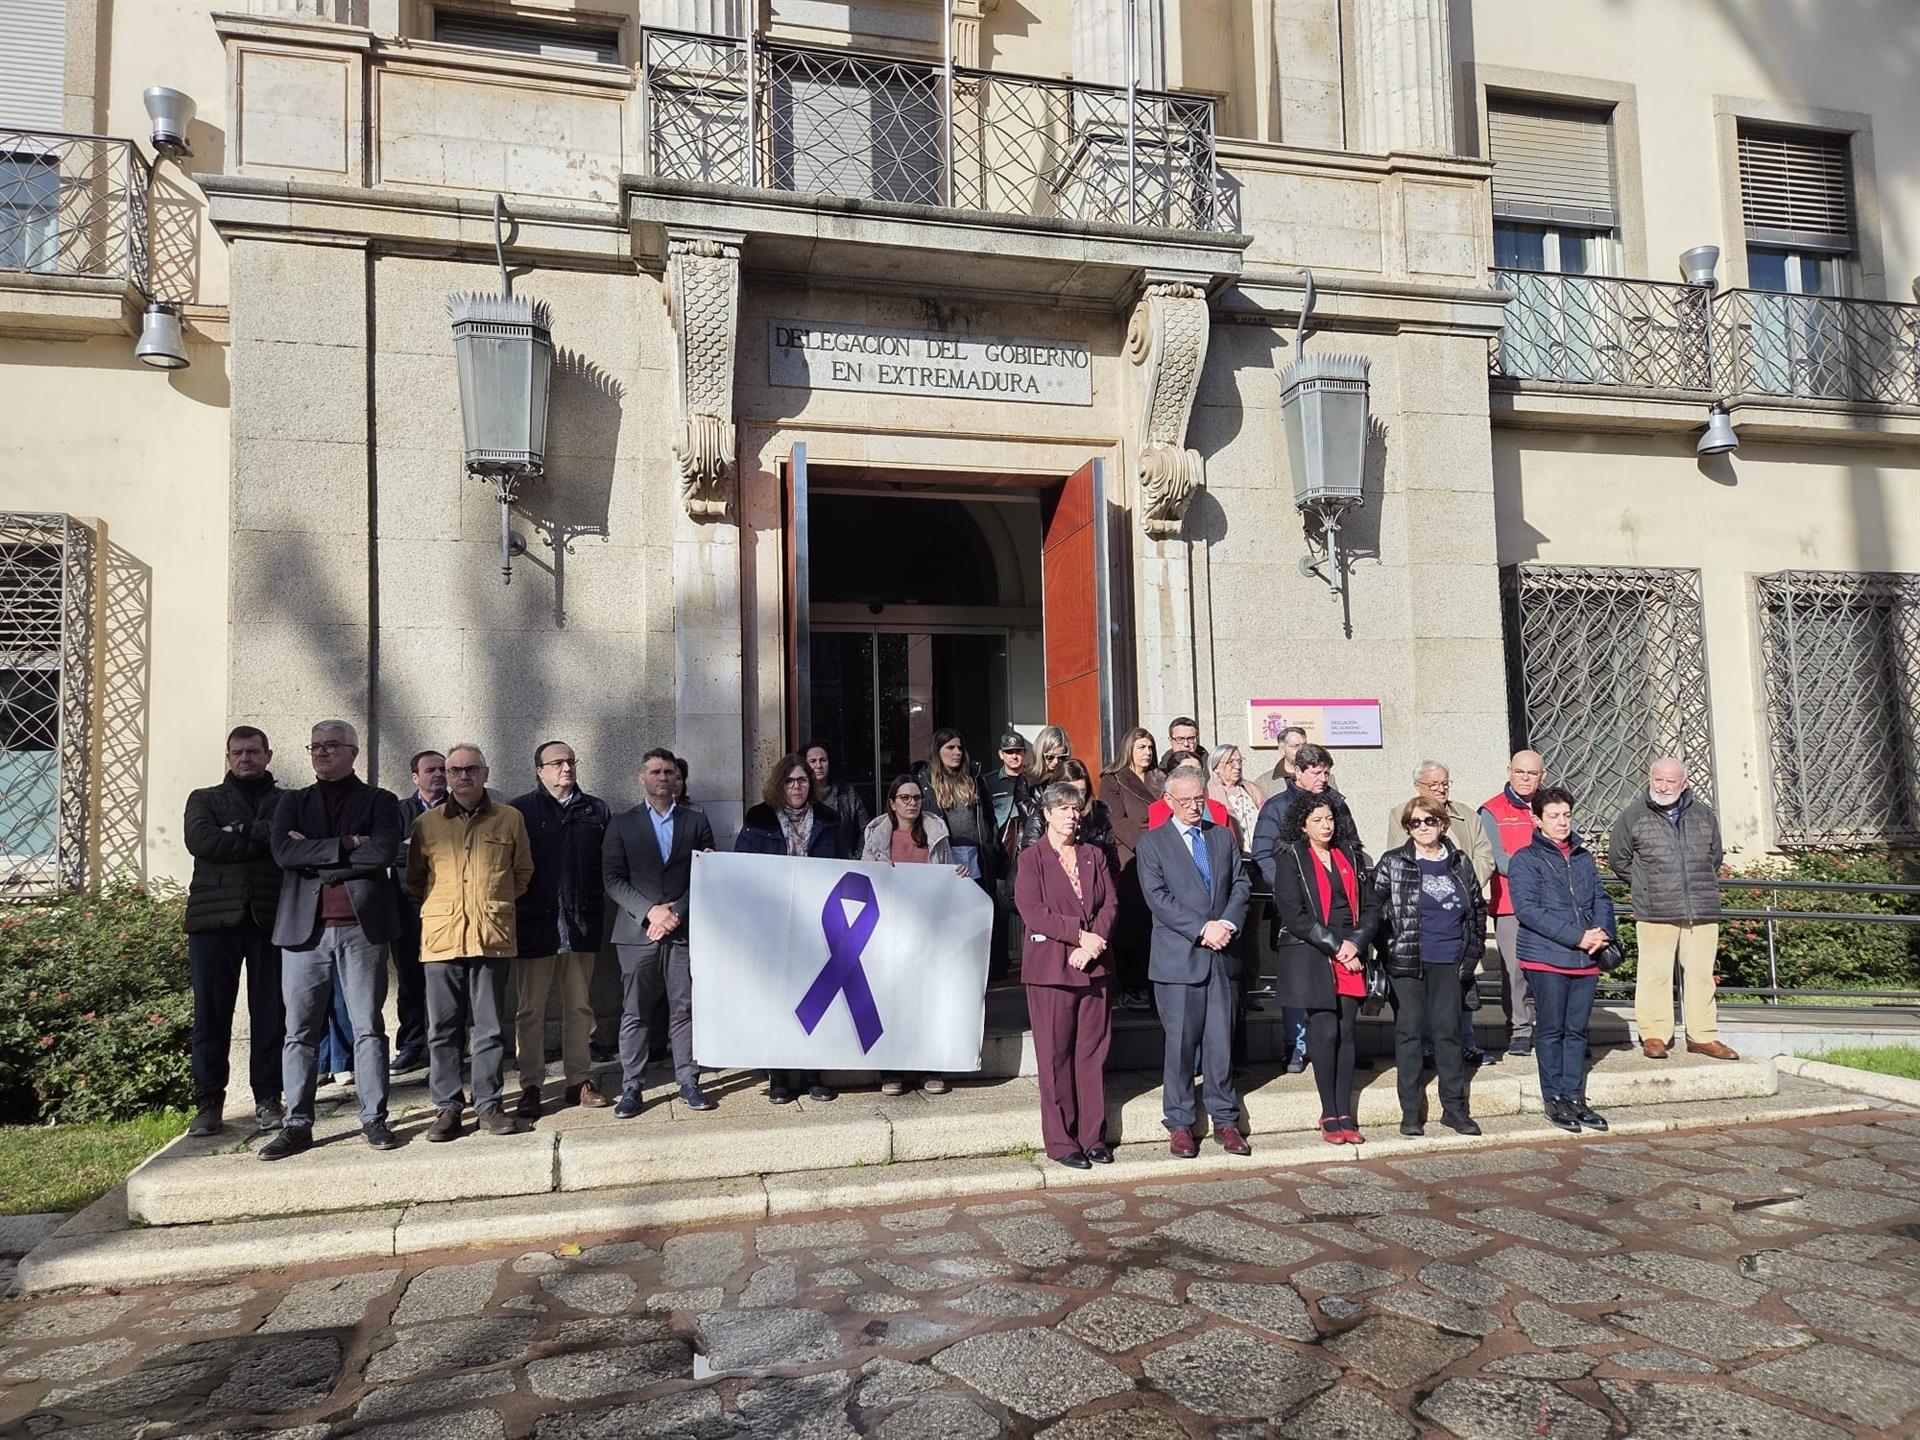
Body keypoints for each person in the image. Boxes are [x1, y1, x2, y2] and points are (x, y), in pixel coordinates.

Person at [261, 720, 405, 1159]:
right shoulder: (292, 803)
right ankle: (297, 1124)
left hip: (361, 929)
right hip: (304, 933)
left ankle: (373, 1118)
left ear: (353, 752)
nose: (321, 753)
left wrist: (318, 855)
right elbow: (284, 854)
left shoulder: (380, 801)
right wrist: (346, 843)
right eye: (315, 746)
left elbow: (382, 853)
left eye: (331, 746)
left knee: (368, 1028)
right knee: (299, 1032)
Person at [407, 743, 536, 1142]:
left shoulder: (510, 818)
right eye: (455, 770)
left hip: (491, 937)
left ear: (485, 773)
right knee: (443, 1028)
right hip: (442, 939)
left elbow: (522, 873)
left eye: (471, 770)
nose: (463, 777)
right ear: (445, 775)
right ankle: (447, 1107)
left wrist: (489, 905)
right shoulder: (427, 824)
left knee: (490, 1026)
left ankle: (488, 1105)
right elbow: (415, 879)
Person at [1136, 765, 1252, 1158]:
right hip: (1179, 960)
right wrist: (1203, 928)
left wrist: (1227, 924)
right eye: (1184, 801)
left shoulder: (1221, 836)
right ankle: (1180, 1122)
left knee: (1221, 1045)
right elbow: (1158, 899)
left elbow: (1241, 884)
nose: (1192, 807)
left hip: (1222, 956)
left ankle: (1225, 1120)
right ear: (1168, 801)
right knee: (1181, 1046)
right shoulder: (1153, 844)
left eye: (1198, 799)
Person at [182, 726, 286, 1138]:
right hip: (213, 923)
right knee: (211, 1015)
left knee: (270, 1015)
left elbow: (286, 843)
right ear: (228, 757)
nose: (246, 758)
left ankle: (267, 1098)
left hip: (269, 919)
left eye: (254, 751)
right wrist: (258, 837)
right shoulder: (203, 799)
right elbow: (201, 842)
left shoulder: (287, 802)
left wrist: (238, 831)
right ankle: (209, 1103)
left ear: (268, 755)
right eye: (238, 752)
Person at [603, 748, 718, 1116]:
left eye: (669, 771)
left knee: (683, 1008)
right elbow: (611, 878)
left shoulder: (695, 821)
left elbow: (705, 870)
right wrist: (649, 911)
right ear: (642, 778)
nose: (663, 777)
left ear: (677, 778)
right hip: (637, 933)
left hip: (682, 930)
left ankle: (688, 1080)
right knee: (636, 1011)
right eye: (655, 771)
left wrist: (676, 912)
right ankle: (632, 1086)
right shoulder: (621, 823)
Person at [1016, 780, 1119, 1169]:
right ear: (1046, 815)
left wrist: (1094, 944)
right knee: (1055, 1056)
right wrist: (1078, 936)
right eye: (1063, 810)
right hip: (1051, 971)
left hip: (1095, 967)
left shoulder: (1094, 854)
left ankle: (1093, 1137)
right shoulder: (1032, 859)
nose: (1072, 817)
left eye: (1076, 810)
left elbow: (1110, 903)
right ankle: (1061, 1140)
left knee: (1091, 1055)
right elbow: (1032, 910)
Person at [1268, 790, 1380, 1145]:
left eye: (1329, 818)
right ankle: (1328, 1111)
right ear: (1303, 825)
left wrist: (1356, 943)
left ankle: (1344, 1110)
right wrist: (1336, 945)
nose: (1326, 825)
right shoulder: (1291, 858)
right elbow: (1294, 913)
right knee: (1325, 1031)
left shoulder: (1351, 855)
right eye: (1317, 820)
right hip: (1315, 951)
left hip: (1351, 951)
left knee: (1347, 1032)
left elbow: (1372, 906)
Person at [1372, 794, 1486, 1137]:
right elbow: (1372, 909)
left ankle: (1454, 1108)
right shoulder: (1393, 862)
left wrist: (1472, 953)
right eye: (1415, 823)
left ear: (1443, 823)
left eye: (1429, 821)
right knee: (1408, 1035)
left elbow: (1477, 910)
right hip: (1407, 963)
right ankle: (1410, 1112)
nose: (1422, 828)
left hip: (1449, 961)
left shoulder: (1460, 862)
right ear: (1407, 827)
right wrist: (1388, 947)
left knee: (1448, 1034)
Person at [510, 740, 612, 1120]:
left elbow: (608, 864)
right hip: (535, 923)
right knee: (530, 1010)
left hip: (581, 920)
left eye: (570, 761)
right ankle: (532, 1085)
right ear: (540, 770)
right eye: (557, 763)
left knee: (580, 1006)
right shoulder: (520, 811)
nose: (566, 768)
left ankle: (578, 1080)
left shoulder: (595, 810)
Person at [1610, 757, 1737, 1062]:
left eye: (1671, 781)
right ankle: (1654, 1035)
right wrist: (1647, 884)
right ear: (1649, 779)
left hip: (1701, 906)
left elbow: (1714, 857)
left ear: (1684, 784)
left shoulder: (1705, 815)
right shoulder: (1633, 816)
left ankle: (1702, 1036)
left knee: (1701, 974)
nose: (1663, 786)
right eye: (1658, 780)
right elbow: (1619, 860)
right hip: (1655, 908)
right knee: (1654, 973)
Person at [1508, 785, 1617, 1134]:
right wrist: (1577, 936)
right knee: (1552, 1029)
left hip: (1586, 958)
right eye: (1553, 816)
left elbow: (1601, 896)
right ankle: (1554, 1097)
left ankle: (1575, 1097)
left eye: (1566, 815)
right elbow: (1528, 911)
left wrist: (1601, 932)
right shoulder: (1525, 860)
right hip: (1547, 958)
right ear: (1536, 819)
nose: (1561, 822)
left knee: (1576, 1031)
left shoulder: (1583, 856)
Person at [735, 753, 842, 1104]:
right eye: (790, 781)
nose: (797, 787)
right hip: (774, 922)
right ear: (779, 784)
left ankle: (814, 1073)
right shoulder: (759, 817)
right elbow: (742, 865)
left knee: (815, 998)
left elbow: (844, 865)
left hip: (816, 922)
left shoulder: (829, 819)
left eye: (803, 781)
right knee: (778, 997)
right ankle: (779, 1076)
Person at [1251, 742, 1362, 1073]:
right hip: (1297, 913)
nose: (1322, 778)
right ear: (1296, 771)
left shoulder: (1337, 805)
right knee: (1299, 979)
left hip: (1337, 910)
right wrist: (1289, 893)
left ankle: (1334, 1046)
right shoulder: (1276, 807)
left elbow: (1352, 847)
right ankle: (1295, 1045)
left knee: (1337, 976)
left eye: (1326, 771)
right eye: (1315, 771)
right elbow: (1264, 855)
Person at [862, 773, 969, 1097]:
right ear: (892, 803)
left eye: (916, 798)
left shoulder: (936, 832)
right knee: (891, 999)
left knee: (926, 1000)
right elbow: (865, 876)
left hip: (929, 929)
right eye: (905, 798)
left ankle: (928, 1068)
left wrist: (957, 874)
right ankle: (890, 1070)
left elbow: (946, 871)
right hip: (888, 929)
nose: (911, 803)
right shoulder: (877, 836)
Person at [1384, 761, 1495, 1069]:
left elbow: (1484, 854)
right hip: (1424, 919)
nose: (1441, 789)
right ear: (1418, 787)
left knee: (1463, 981)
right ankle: (1429, 1046)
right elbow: (1400, 858)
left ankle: (1466, 1042)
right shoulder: (1401, 815)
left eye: (1445, 783)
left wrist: (1466, 881)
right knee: (1428, 991)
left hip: (1460, 913)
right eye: (1433, 785)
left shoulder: (1466, 815)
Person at [1479, 750, 1546, 1057]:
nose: (1524, 778)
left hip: (1550, 904)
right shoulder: (1492, 810)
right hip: (1510, 904)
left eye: (1531, 774)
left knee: (1551, 969)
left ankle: (1551, 1029)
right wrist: (1536, 870)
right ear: (1509, 771)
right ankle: (1519, 1029)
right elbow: (1497, 858)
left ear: (1542, 776)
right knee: (1514, 971)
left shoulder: (1552, 806)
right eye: (1519, 772)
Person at [390, 749, 446, 1074]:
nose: (437, 775)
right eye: (430, 770)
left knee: (449, 981)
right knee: (410, 979)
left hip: (447, 905)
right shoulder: (398, 811)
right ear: (415, 777)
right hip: (406, 906)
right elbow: (384, 851)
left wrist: (415, 848)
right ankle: (412, 1044)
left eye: (442, 769)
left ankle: (449, 1045)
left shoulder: (458, 809)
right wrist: (420, 850)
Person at [1100, 726, 1162, 1012]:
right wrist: (1148, 846)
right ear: (1129, 750)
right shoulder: (1113, 780)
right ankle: (1132, 986)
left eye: (1150, 747)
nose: (1147, 753)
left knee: (1156, 923)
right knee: (1132, 924)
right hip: (1132, 857)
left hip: (1164, 856)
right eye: (1141, 748)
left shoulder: (1161, 779)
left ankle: (1154, 985)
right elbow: (1117, 820)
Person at [1018, 757, 1117, 869]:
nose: (1077, 798)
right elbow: (1030, 858)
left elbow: (1112, 863)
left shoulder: (1099, 814)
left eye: (1081, 791)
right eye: (1070, 792)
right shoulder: (1043, 811)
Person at [804, 739, 871, 861]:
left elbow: (866, 829)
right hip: (810, 866)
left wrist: (857, 858)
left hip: (843, 865)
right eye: (813, 761)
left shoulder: (847, 793)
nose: (818, 766)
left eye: (823, 760)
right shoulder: (799, 796)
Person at [1147, 753, 1230, 829]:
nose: (1192, 776)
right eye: (1185, 771)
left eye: (1197, 772)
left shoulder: (1218, 808)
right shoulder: (1157, 810)